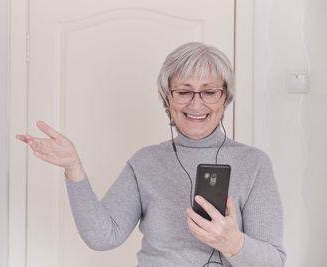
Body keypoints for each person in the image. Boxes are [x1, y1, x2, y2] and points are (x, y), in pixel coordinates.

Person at [16, 42, 286, 266]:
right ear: (167, 98)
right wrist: (73, 168)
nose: (196, 103)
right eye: (183, 91)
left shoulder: (254, 164)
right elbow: (103, 237)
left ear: (224, 97)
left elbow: (273, 262)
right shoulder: (145, 162)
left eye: (209, 92)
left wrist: (233, 243)